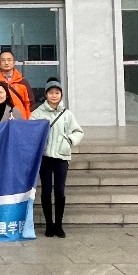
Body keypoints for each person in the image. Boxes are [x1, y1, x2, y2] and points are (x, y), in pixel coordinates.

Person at [29, 77, 84, 238]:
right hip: (45, 157)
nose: (54, 95)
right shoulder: (38, 113)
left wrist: (69, 141)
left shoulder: (67, 114)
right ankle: (49, 225)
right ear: (46, 95)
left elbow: (78, 131)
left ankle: (58, 225)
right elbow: (30, 130)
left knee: (59, 191)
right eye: (51, 93)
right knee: (46, 191)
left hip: (62, 157)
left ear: (61, 95)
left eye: (57, 93)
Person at [0, 50, 33, 119]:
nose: (6, 63)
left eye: (9, 60)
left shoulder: (22, 81)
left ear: (14, 62)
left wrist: (29, 120)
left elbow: (29, 103)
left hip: (20, 119)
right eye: (3, 60)